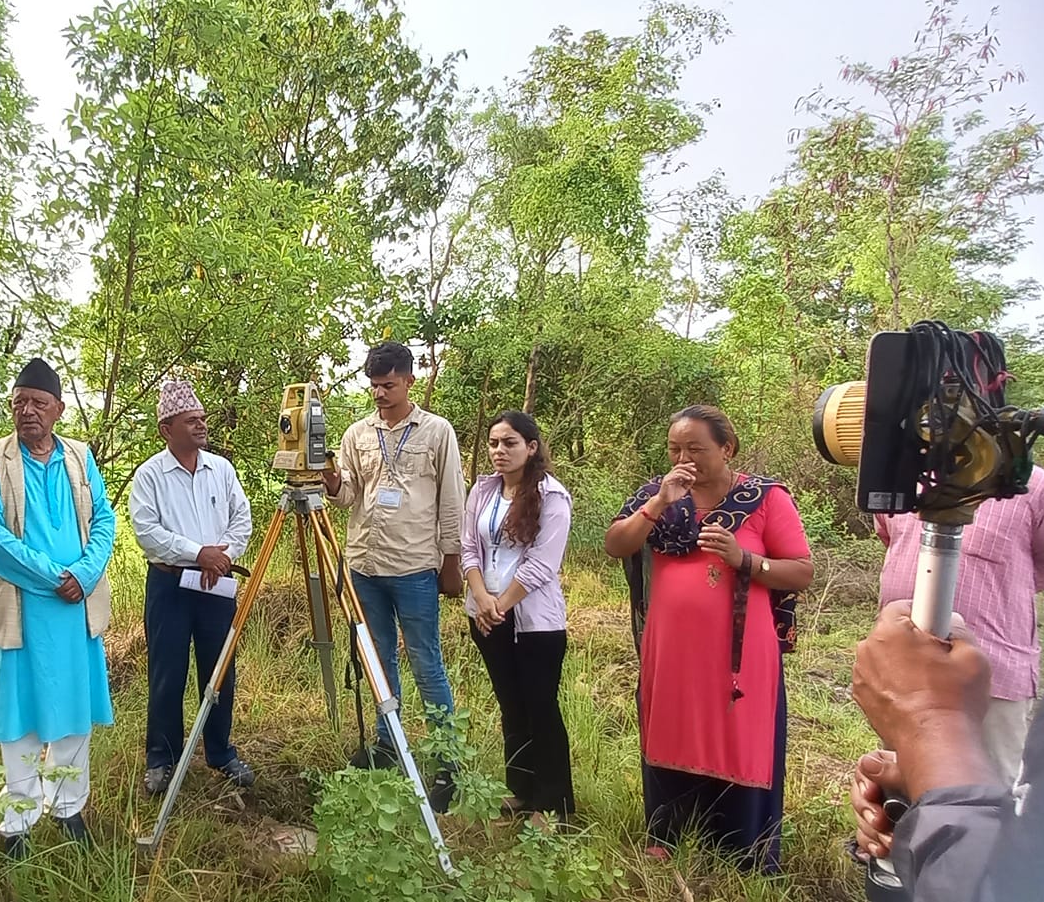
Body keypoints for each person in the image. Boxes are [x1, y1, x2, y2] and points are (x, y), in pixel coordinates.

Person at [603, 404, 814, 872]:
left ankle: (743, 847)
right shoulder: (656, 497)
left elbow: (801, 571)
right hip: (671, 649)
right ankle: (668, 835)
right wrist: (658, 503)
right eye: (676, 449)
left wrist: (746, 559)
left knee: (738, 734)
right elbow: (617, 544)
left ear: (727, 448)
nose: (684, 458)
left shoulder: (764, 499)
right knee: (671, 725)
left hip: (740, 655)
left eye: (696, 448)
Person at [0, 357, 116, 858]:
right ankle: (20, 821)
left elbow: (105, 520)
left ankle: (69, 807)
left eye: (37, 402)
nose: (27, 411)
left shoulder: (79, 456)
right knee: (21, 713)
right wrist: (57, 576)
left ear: (58, 409)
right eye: (19, 402)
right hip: (21, 605)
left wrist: (85, 572)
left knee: (75, 708)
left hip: (75, 607)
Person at [319, 341, 465, 811]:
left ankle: (448, 761)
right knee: (378, 661)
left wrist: (451, 560)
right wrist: (331, 481)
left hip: (415, 566)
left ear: (409, 380)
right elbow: (348, 498)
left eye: (389, 385)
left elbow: (451, 500)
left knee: (426, 662)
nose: (380, 394)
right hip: (365, 565)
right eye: (374, 386)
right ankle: (387, 746)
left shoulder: (437, 432)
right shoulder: (357, 433)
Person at [873, 465, 1044, 788]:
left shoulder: (1037, 489)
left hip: (993, 676)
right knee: (900, 787)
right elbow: (889, 535)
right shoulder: (902, 472)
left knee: (987, 792)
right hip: (905, 669)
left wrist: (999, 587)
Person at [128, 379, 255, 795]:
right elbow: (146, 532)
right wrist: (197, 552)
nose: (201, 425)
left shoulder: (221, 469)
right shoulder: (149, 475)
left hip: (216, 585)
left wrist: (222, 557)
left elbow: (242, 517)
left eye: (202, 419)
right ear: (167, 429)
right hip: (170, 586)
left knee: (219, 672)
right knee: (168, 673)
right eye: (191, 420)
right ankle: (162, 759)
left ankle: (220, 752)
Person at [459, 411, 575, 825]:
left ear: (531, 447)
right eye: (493, 443)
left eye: (509, 443)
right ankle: (520, 790)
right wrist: (480, 597)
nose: (498, 451)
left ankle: (553, 803)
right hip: (486, 614)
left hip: (534, 622)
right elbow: (468, 546)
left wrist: (501, 603)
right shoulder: (484, 490)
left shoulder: (552, 496)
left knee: (539, 705)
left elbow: (542, 564)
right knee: (511, 704)